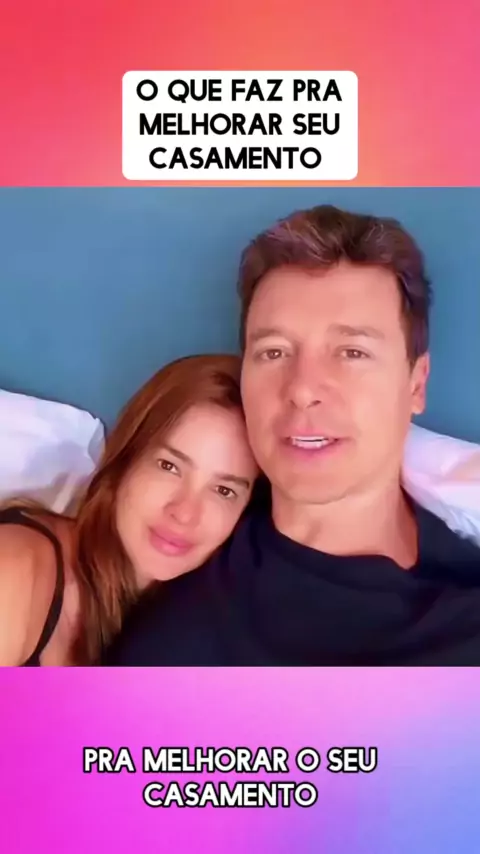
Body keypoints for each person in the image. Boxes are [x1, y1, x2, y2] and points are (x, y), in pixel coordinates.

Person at [104, 204, 480, 667]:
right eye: (274, 352)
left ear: (416, 385)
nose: (302, 389)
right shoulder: (175, 648)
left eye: (351, 352)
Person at [0, 355, 257, 666]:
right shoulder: (17, 568)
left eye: (224, 491)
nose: (184, 513)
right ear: (126, 460)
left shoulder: (203, 626)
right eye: (168, 466)